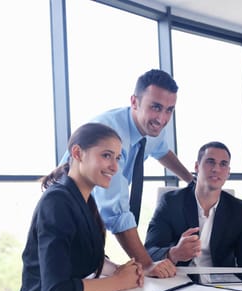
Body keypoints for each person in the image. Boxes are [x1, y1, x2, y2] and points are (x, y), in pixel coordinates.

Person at [60, 69, 193, 278]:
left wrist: (190, 179)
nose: (161, 118)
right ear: (134, 102)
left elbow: (162, 150)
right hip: (69, 211)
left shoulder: (152, 130)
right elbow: (117, 212)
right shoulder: (110, 135)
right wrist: (148, 265)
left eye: (169, 110)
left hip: (93, 221)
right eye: (155, 107)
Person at [13, 123, 144, 291]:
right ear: (77, 153)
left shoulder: (84, 200)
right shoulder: (57, 202)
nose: (115, 167)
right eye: (106, 155)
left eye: (117, 158)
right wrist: (119, 282)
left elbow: (80, 255)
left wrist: (121, 270)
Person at [144, 141, 242, 267]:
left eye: (223, 164)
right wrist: (174, 253)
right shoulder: (171, 203)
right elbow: (149, 251)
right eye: (210, 162)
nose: (216, 169)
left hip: (222, 282)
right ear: (197, 166)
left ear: (228, 173)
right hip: (178, 278)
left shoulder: (240, 210)